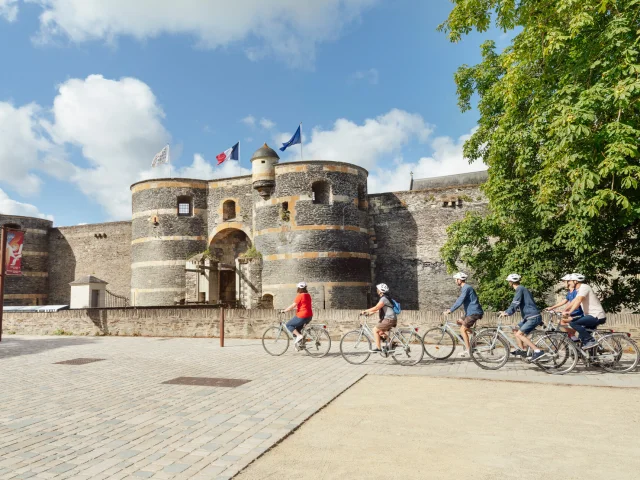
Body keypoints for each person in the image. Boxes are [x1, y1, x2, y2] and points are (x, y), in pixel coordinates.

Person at [499, 274, 547, 362]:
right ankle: (523, 351)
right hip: (529, 317)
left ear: (511, 282)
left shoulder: (520, 289)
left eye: (508, 281)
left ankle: (537, 351)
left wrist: (507, 313)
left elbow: (515, 303)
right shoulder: (522, 289)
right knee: (515, 330)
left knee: (519, 334)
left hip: (532, 317)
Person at [442, 272, 483, 358]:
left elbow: (460, 301)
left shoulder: (466, 288)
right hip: (470, 312)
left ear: (459, 280)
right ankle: (474, 334)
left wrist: (450, 310)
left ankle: (468, 350)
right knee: (459, 321)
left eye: (456, 280)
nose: (455, 281)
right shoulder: (465, 288)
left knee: (462, 330)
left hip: (474, 312)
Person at [562, 273, 606, 350]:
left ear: (575, 281)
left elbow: (578, 300)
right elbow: (574, 301)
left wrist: (570, 312)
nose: (568, 283)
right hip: (590, 316)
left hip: (596, 315)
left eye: (570, 281)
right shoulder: (579, 290)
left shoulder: (584, 287)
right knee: (582, 338)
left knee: (573, 323)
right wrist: (565, 310)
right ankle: (593, 359)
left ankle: (591, 340)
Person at [360, 283, 397, 353]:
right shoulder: (385, 298)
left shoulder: (383, 299)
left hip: (389, 319)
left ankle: (378, 348)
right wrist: (369, 313)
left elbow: (376, 307)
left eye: (378, 289)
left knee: (375, 330)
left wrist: (365, 311)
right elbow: (379, 309)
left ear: (380, 291)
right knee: (380, 332)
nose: (377, 290)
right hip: (390, 319)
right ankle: (392, 343)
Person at [545, 274, 582, 340]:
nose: (563, 283)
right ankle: (572, 338)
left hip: (577, 314)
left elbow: (575, 304)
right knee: (562, 321)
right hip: (572, 313)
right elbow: (564, 301)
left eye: (564, 281)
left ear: (568, 282)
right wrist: (552, 307)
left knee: (562, 321)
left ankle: (574, 338)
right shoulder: (570, 292)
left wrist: (564, 311)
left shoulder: (575, 292)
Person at [282, 282, 313, 347]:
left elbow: (293, 305)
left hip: (302, 315)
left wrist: (285, 310)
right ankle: (300, 344)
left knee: (288, 325)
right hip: (309, 316)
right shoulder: (308, 295)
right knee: (297, 330)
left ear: (299, 288)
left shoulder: (300, 296)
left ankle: (299, 336)